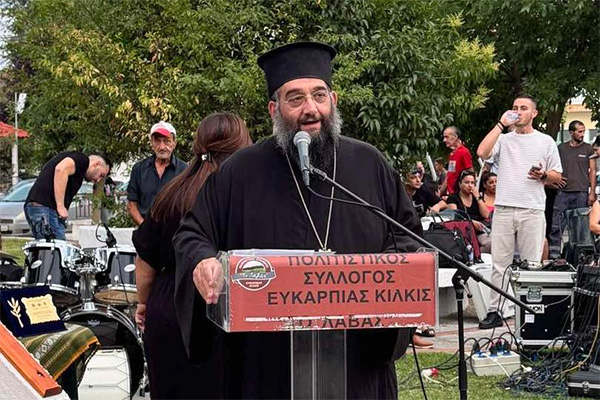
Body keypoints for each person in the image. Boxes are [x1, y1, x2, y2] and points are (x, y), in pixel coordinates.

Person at [173, 42, 422, 399]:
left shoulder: (369, 163)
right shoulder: (241, 171)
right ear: (274, 108)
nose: (311, 109)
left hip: (357, 358)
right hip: (267, 364)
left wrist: (386, 270)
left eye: (319, 95)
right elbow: (193, 233)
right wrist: (202, 261)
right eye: (295, 98)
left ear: (333, 100)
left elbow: (407, 235)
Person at [132, 112, 252, 399]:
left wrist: (144, 303)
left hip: (171, 310)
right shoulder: (248, 193)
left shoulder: (172, 193)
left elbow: (146, 260)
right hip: (233, 314)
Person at [476, 94, 562, 329]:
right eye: (515, 107)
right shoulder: (504, 139)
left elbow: (557, 176)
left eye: (523, 108)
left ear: (534, 113)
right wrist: (501, 124)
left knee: (532, 264)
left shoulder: (545, 141)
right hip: (504, 207)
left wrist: (543, 175)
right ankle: (495, 310)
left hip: (532, 209)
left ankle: (530, 312)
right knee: (499, 264)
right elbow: (482, 152)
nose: (518, 111)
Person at [24, 152, 111, 240]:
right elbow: (61, 169)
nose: (98, 180)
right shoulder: (83, 160)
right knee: (56, 246)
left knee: (48, 245)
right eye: (101, 175)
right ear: (96, 164)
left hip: (37, 207)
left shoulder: (76, 162)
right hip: (46, 208)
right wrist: (60, 206)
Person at [548, 120, 595, 259]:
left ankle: (579, 258)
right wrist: (555, 181)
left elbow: (592, 171)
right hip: (562, 192)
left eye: (583, 131)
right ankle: (554, 257)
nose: (582, 134)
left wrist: (592, 192)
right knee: (556, 226)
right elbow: (553, 166)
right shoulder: (561, 148)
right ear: (571, 133)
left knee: (580, 227)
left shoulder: (588, 148)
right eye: (579, 131)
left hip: (581, 192)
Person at [127, 121, 187, 225]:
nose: (162, 147)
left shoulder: (185, 170)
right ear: (152, 143)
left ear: (174, 143)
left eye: (167, 141)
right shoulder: (139, 169)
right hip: (145, 229)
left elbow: (190, 205)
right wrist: (144, 228)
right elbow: (132, 205)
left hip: (175, 232)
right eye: (157, 141)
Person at [447, 170, 491, 253]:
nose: (470, 185)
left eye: (472, 183)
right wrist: (470, 222)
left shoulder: (476, 197)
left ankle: (478, 253)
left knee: (492, 243)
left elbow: (486, 214)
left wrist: (478, 198)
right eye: (467, 182)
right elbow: (454, 217)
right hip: (463, 232)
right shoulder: (453, 198)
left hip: (480, 231)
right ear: (460, 184)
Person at [440, 126, 473, 195]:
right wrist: (440, 192)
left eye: (447, 137)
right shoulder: (452, 154)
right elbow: (450, 175)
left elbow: (471, 172)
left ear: (455, 137)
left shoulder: (464, 152)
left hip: (460, 194)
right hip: (452, 194)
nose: (444, 140)